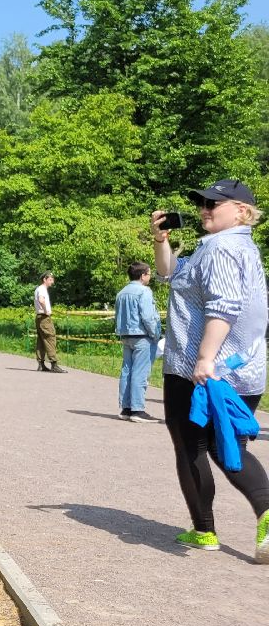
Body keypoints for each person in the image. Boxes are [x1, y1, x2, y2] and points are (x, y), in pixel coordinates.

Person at [152, 180, 269, 560]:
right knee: (227, 447)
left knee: (192, 447)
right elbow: (170, 273)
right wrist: (161, 240)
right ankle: (266, 513)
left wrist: (205, 359)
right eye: (202, 202)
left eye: (214, 203)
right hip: (244, 370)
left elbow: (224, 306)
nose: (205, 208)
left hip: (199, 371)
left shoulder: (220, 248)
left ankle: (204, 531)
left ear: (242, 211)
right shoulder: (238, 247)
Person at [114, 262, 161, 422]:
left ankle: (126, 408)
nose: (150, 277)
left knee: (127, 371)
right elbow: (147, 317)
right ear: (142, 276)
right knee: (140, 373)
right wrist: (155, 334)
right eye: (149, 274)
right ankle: (137, 409)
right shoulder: (144, 291)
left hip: (126, 336)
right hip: (142, 336)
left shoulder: (122, 292)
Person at [34, 272, 66, 373]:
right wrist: (46, 310)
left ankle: (41, 365)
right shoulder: (42, 289)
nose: (52, 282)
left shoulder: (38, 289)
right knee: (50, 338)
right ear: (45, 279)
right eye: (50, 280)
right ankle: (54, 364)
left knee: (41, 341)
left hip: (39, 317)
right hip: (44, 318)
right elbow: (41, 300)